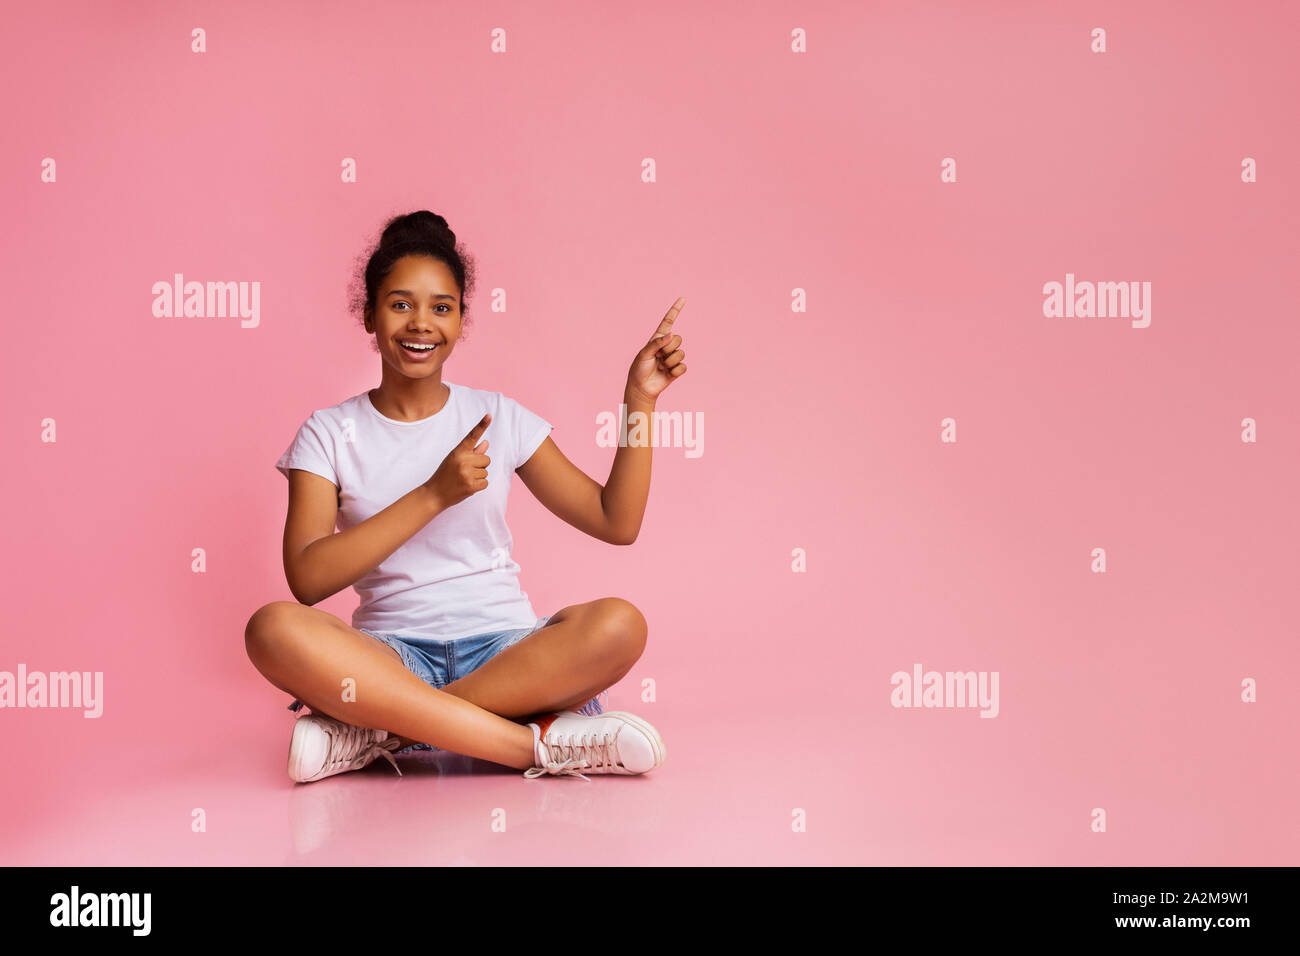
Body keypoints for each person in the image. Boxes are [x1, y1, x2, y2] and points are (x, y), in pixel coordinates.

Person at [244, 210, 687, 784]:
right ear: (370, 316)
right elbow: (306, 579)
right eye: (400, 304)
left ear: (460, 320)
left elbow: (615, 520)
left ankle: (382, 732)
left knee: (620, 624)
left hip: (506, 653)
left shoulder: (498, 415)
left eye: (441, 307)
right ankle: (537, 747)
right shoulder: (328, 432)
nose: (420, 323)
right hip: (389, 658)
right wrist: (432, 495)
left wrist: (640, 402)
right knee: (270, 629)